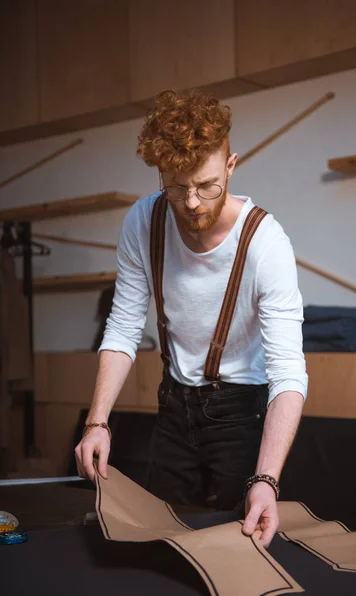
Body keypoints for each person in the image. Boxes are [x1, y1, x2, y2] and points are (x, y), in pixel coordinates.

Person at [75, 89, 308, 548]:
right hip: (174, 404)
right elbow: (122, 325)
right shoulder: (143, 221)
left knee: (241, 544)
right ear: (161, 174)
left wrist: (267, 478)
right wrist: (97, 421)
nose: (194, 202)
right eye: (178, 188)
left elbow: (288, 372)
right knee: (162, 535)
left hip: (243, 410)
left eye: (207, 185)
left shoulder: (266, 243)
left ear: (231, 165)